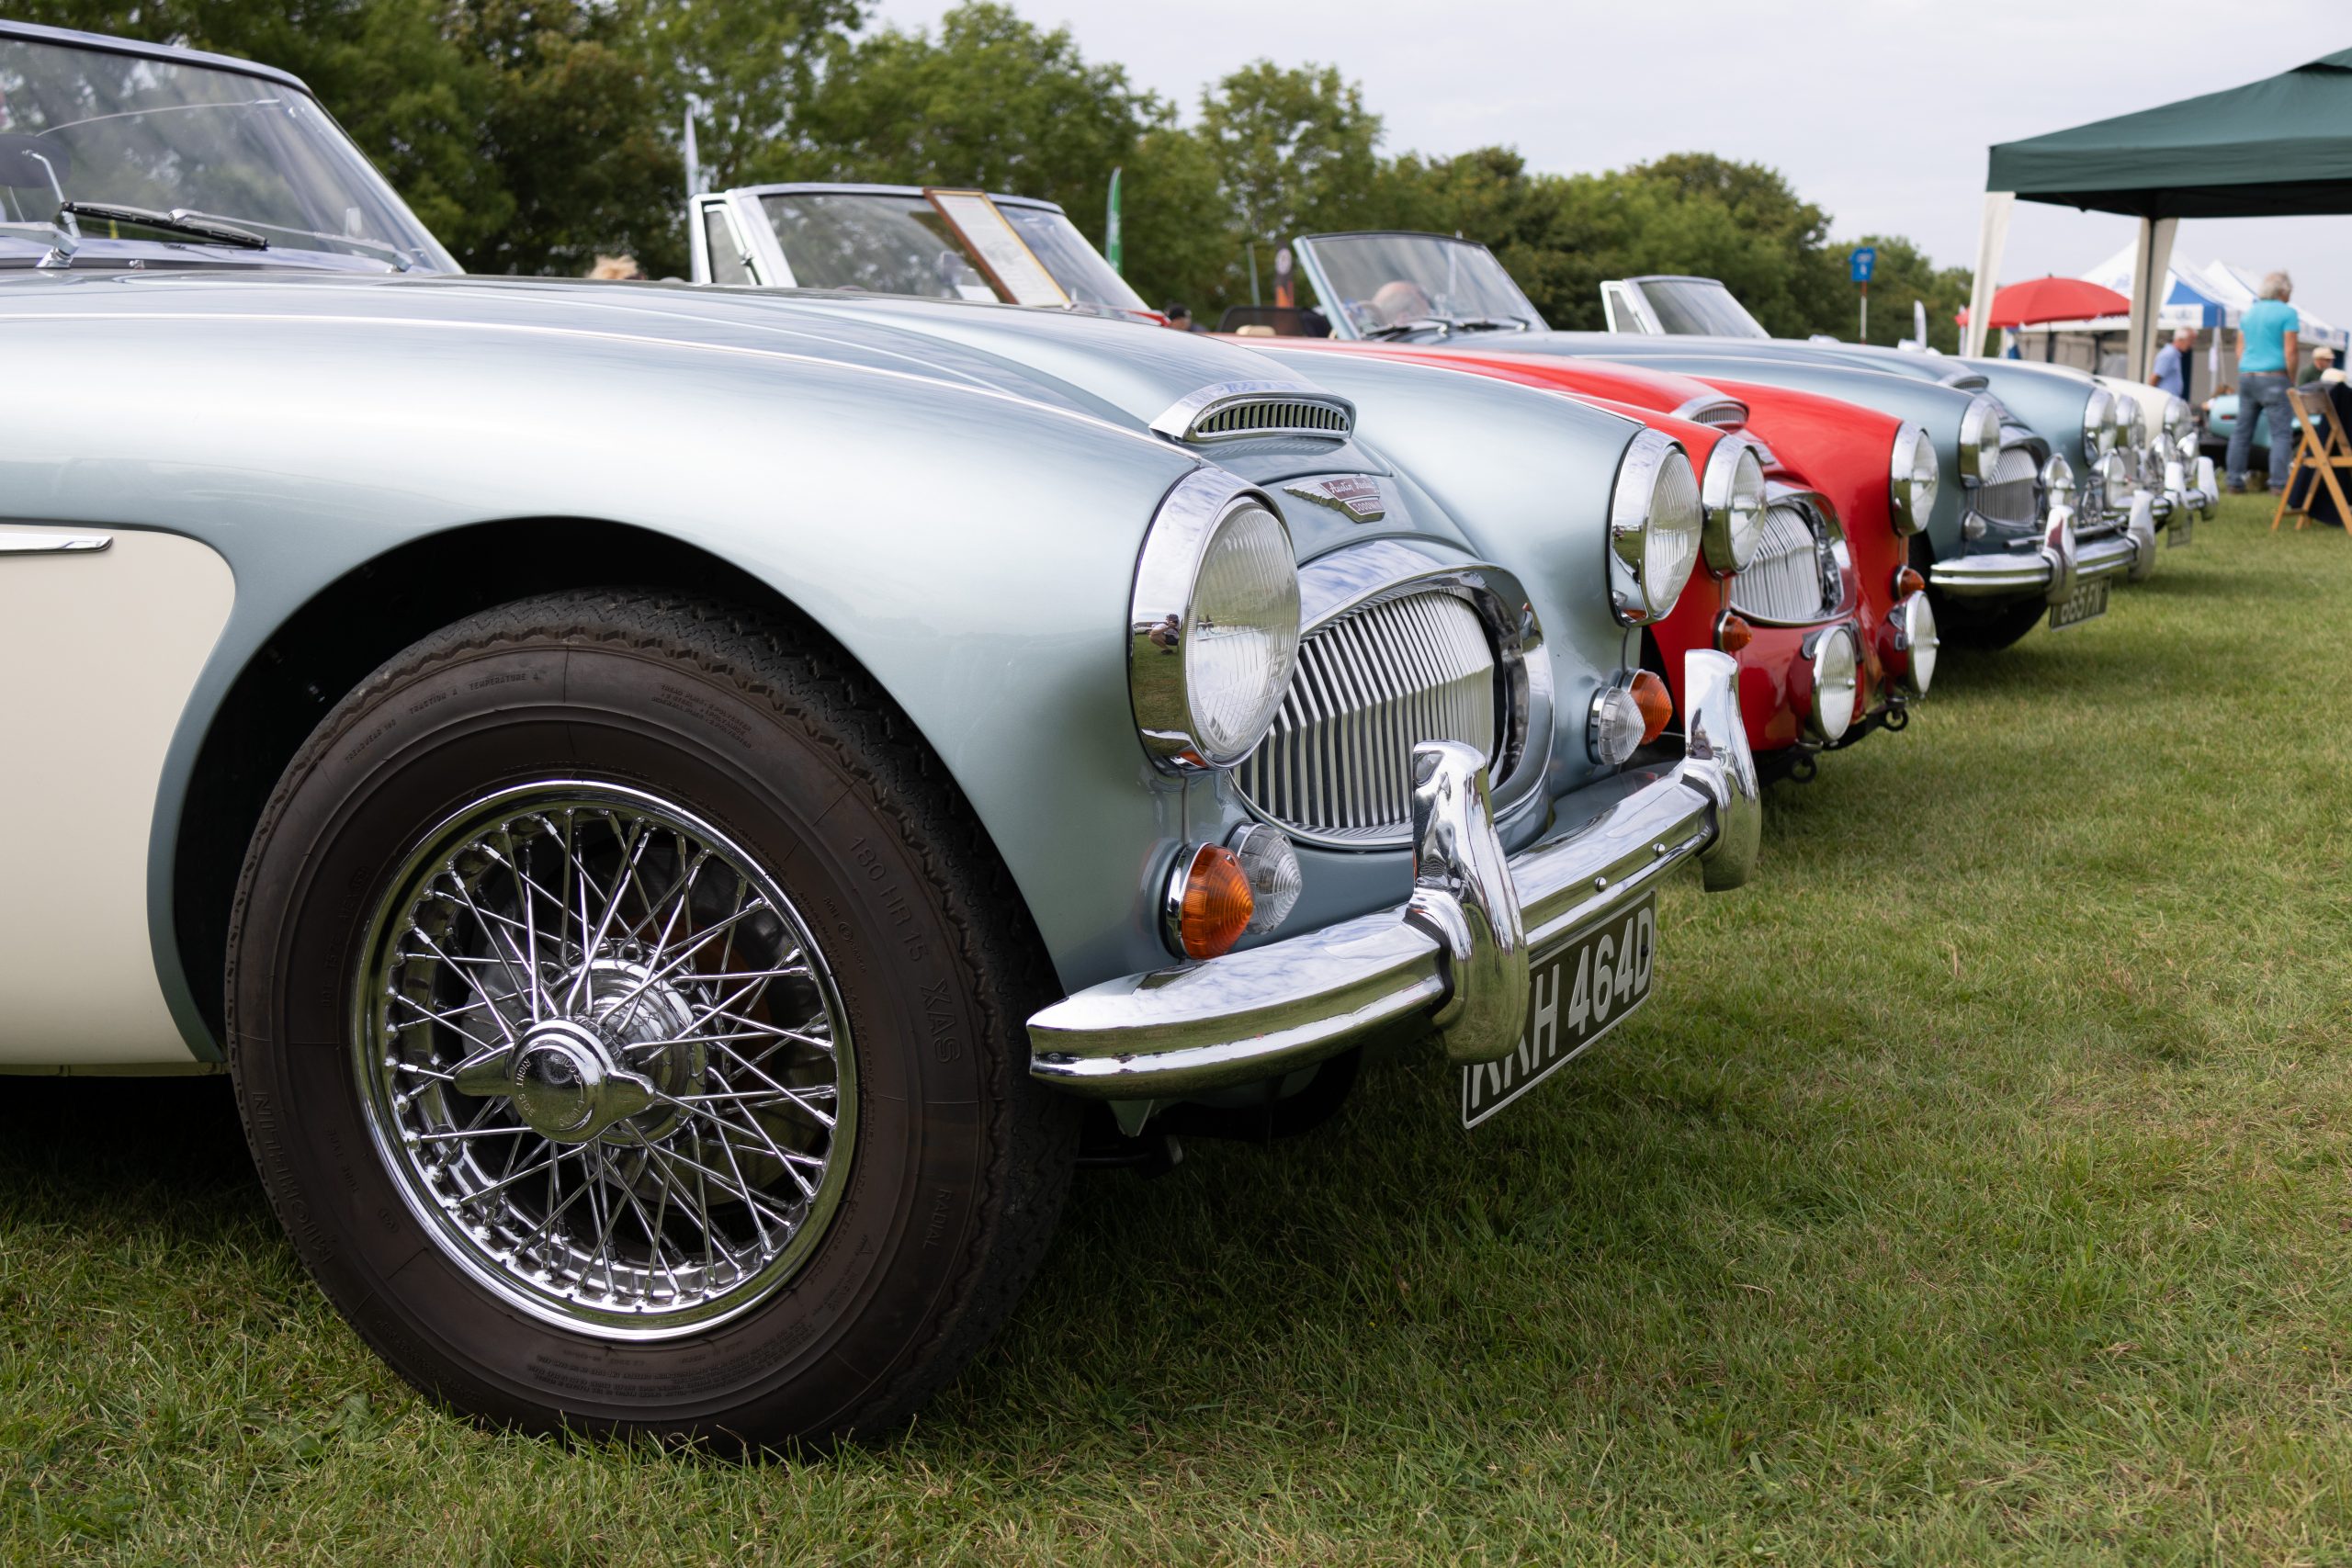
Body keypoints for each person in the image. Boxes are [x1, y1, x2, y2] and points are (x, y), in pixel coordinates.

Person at [2227, 271, 2299, 493]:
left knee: (2241, 432)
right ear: (2283, 291)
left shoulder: (2249, 314)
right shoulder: (2288, 313)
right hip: (2275, 377)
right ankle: (2278, 483)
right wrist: (2291, 380)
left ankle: (2234, 481)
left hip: (2248, 375)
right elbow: (2291, 350)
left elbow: (2239, 349)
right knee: (2280, 433)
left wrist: (2249, 367)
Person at [2151, 327, 2195, 398]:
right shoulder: (2169, 354)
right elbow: (2155, 378)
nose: (2191, 344)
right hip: (2165, 400)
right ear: (2180, 339)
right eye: (2190, 341)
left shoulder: (2174, 355)